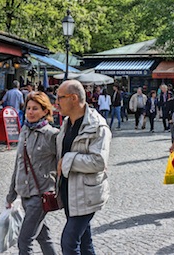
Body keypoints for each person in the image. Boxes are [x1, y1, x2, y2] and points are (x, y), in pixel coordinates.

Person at [56, 80, 111, 255]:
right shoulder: (66, 123)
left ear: (73, 98)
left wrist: (67, 160)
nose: (56, 102)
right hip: (69, 193)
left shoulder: (97, 126)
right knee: (85, 242)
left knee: (69, 242)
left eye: (60, 98)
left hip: (86, 194)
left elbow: (98, 162)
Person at [6, 91, 59, 255]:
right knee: (43, 237)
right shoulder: (24, 131)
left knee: (24, 241)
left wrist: (58, 190)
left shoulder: (52, 135)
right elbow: (18, 164)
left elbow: (62, 166)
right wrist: (11, 195)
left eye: (35, 108)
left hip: (41, 195)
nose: (30, 112)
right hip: (25, 194)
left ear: (45, 111)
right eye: (28, 108)